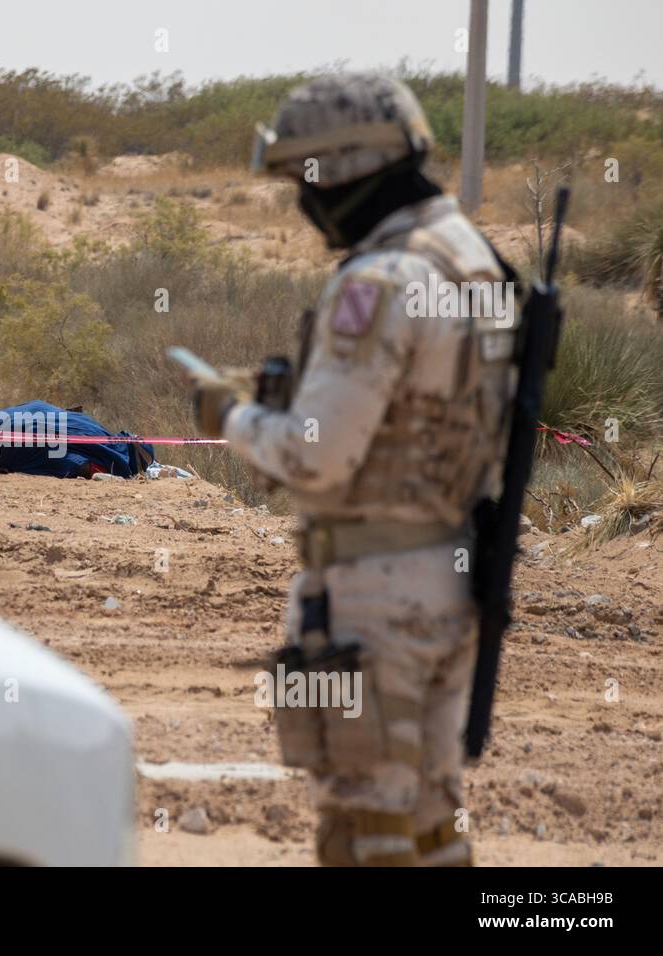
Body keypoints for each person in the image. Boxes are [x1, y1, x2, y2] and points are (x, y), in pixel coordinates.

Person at [189, 73, 519, 866]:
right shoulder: (474, 258)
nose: (302, 206)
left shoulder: (379, 279)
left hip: (366, 594)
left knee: (359, 829)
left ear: (337, 173)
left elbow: (314, 455)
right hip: (455, 577)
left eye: (301, 181)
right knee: (435, 820)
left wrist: (229, 417)